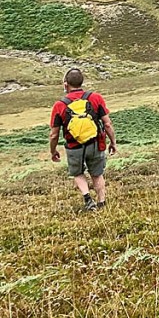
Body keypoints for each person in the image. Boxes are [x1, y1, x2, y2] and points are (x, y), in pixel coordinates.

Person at [49, 68, 116, 211]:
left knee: (78, 173)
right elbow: (108, 124)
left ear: (66, 84)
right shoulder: (95, 98)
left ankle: (88, 199)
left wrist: (53, 151)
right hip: (96, 143)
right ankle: (102, 202)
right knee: (97, 174)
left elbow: (53, 134)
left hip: (74, 147)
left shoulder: (59, 105)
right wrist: (113, 142)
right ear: (82, 82)